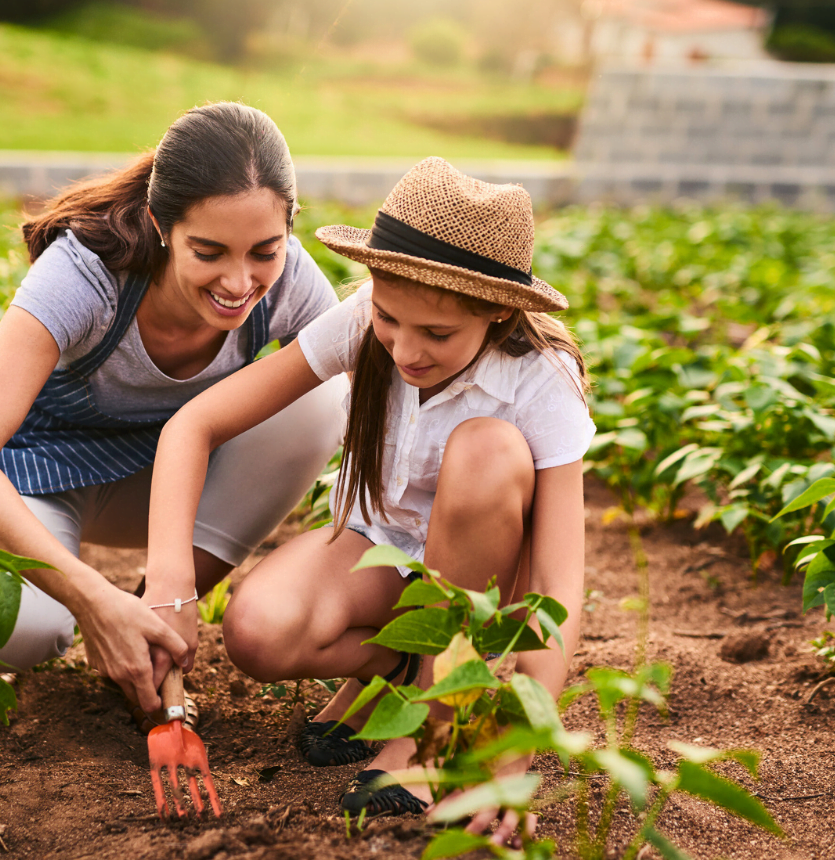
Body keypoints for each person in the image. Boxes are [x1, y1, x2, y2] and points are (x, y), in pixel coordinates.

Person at [145, 156, 593, 843]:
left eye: (437, 335)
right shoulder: (363, 319)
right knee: (257, 632)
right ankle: (404, 671)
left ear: (500, 312)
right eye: (389, 319)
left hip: (487, 587)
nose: (405, 350)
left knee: (483, 449)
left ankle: (436, 730)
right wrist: (170, 589)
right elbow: (196, 423)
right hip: (386, 555)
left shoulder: (542, 380)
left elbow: (559, 587)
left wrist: (513, 761)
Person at [0, 102, 346, 717]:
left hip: (165, 485)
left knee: (325, 391)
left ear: (289, 226)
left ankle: (156, 624)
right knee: (13, 629)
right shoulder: (87, 275)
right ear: (160, 224)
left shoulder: (290, 282)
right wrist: (94, 600)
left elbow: (378, 408)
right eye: (208, 252)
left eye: (264, 250)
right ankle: (50, 588)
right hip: (36, 479)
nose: (238, 281)